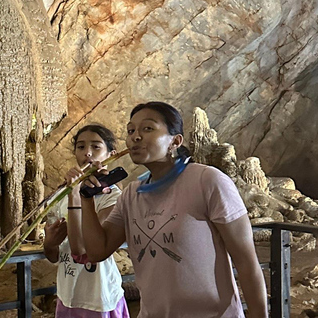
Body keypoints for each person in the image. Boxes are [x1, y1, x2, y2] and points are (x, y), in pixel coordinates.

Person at [80, 102, 268, 318]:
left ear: (175, 141)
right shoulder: (131, 195)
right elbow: (97, 251)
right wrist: (86, 198)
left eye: (148, 129)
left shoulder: (208, 181)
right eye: (131, 131)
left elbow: (246, 262)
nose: (135, 137)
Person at [43, 124, 129, 318]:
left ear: (111, 154)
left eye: (96, 147)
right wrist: (49, 243)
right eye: (81, 147)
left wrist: (75, 194)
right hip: (67, 295)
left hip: (99, 298)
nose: (87, 153)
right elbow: (53, 255)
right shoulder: (59, 196)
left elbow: (80, 250)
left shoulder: (114, 197)